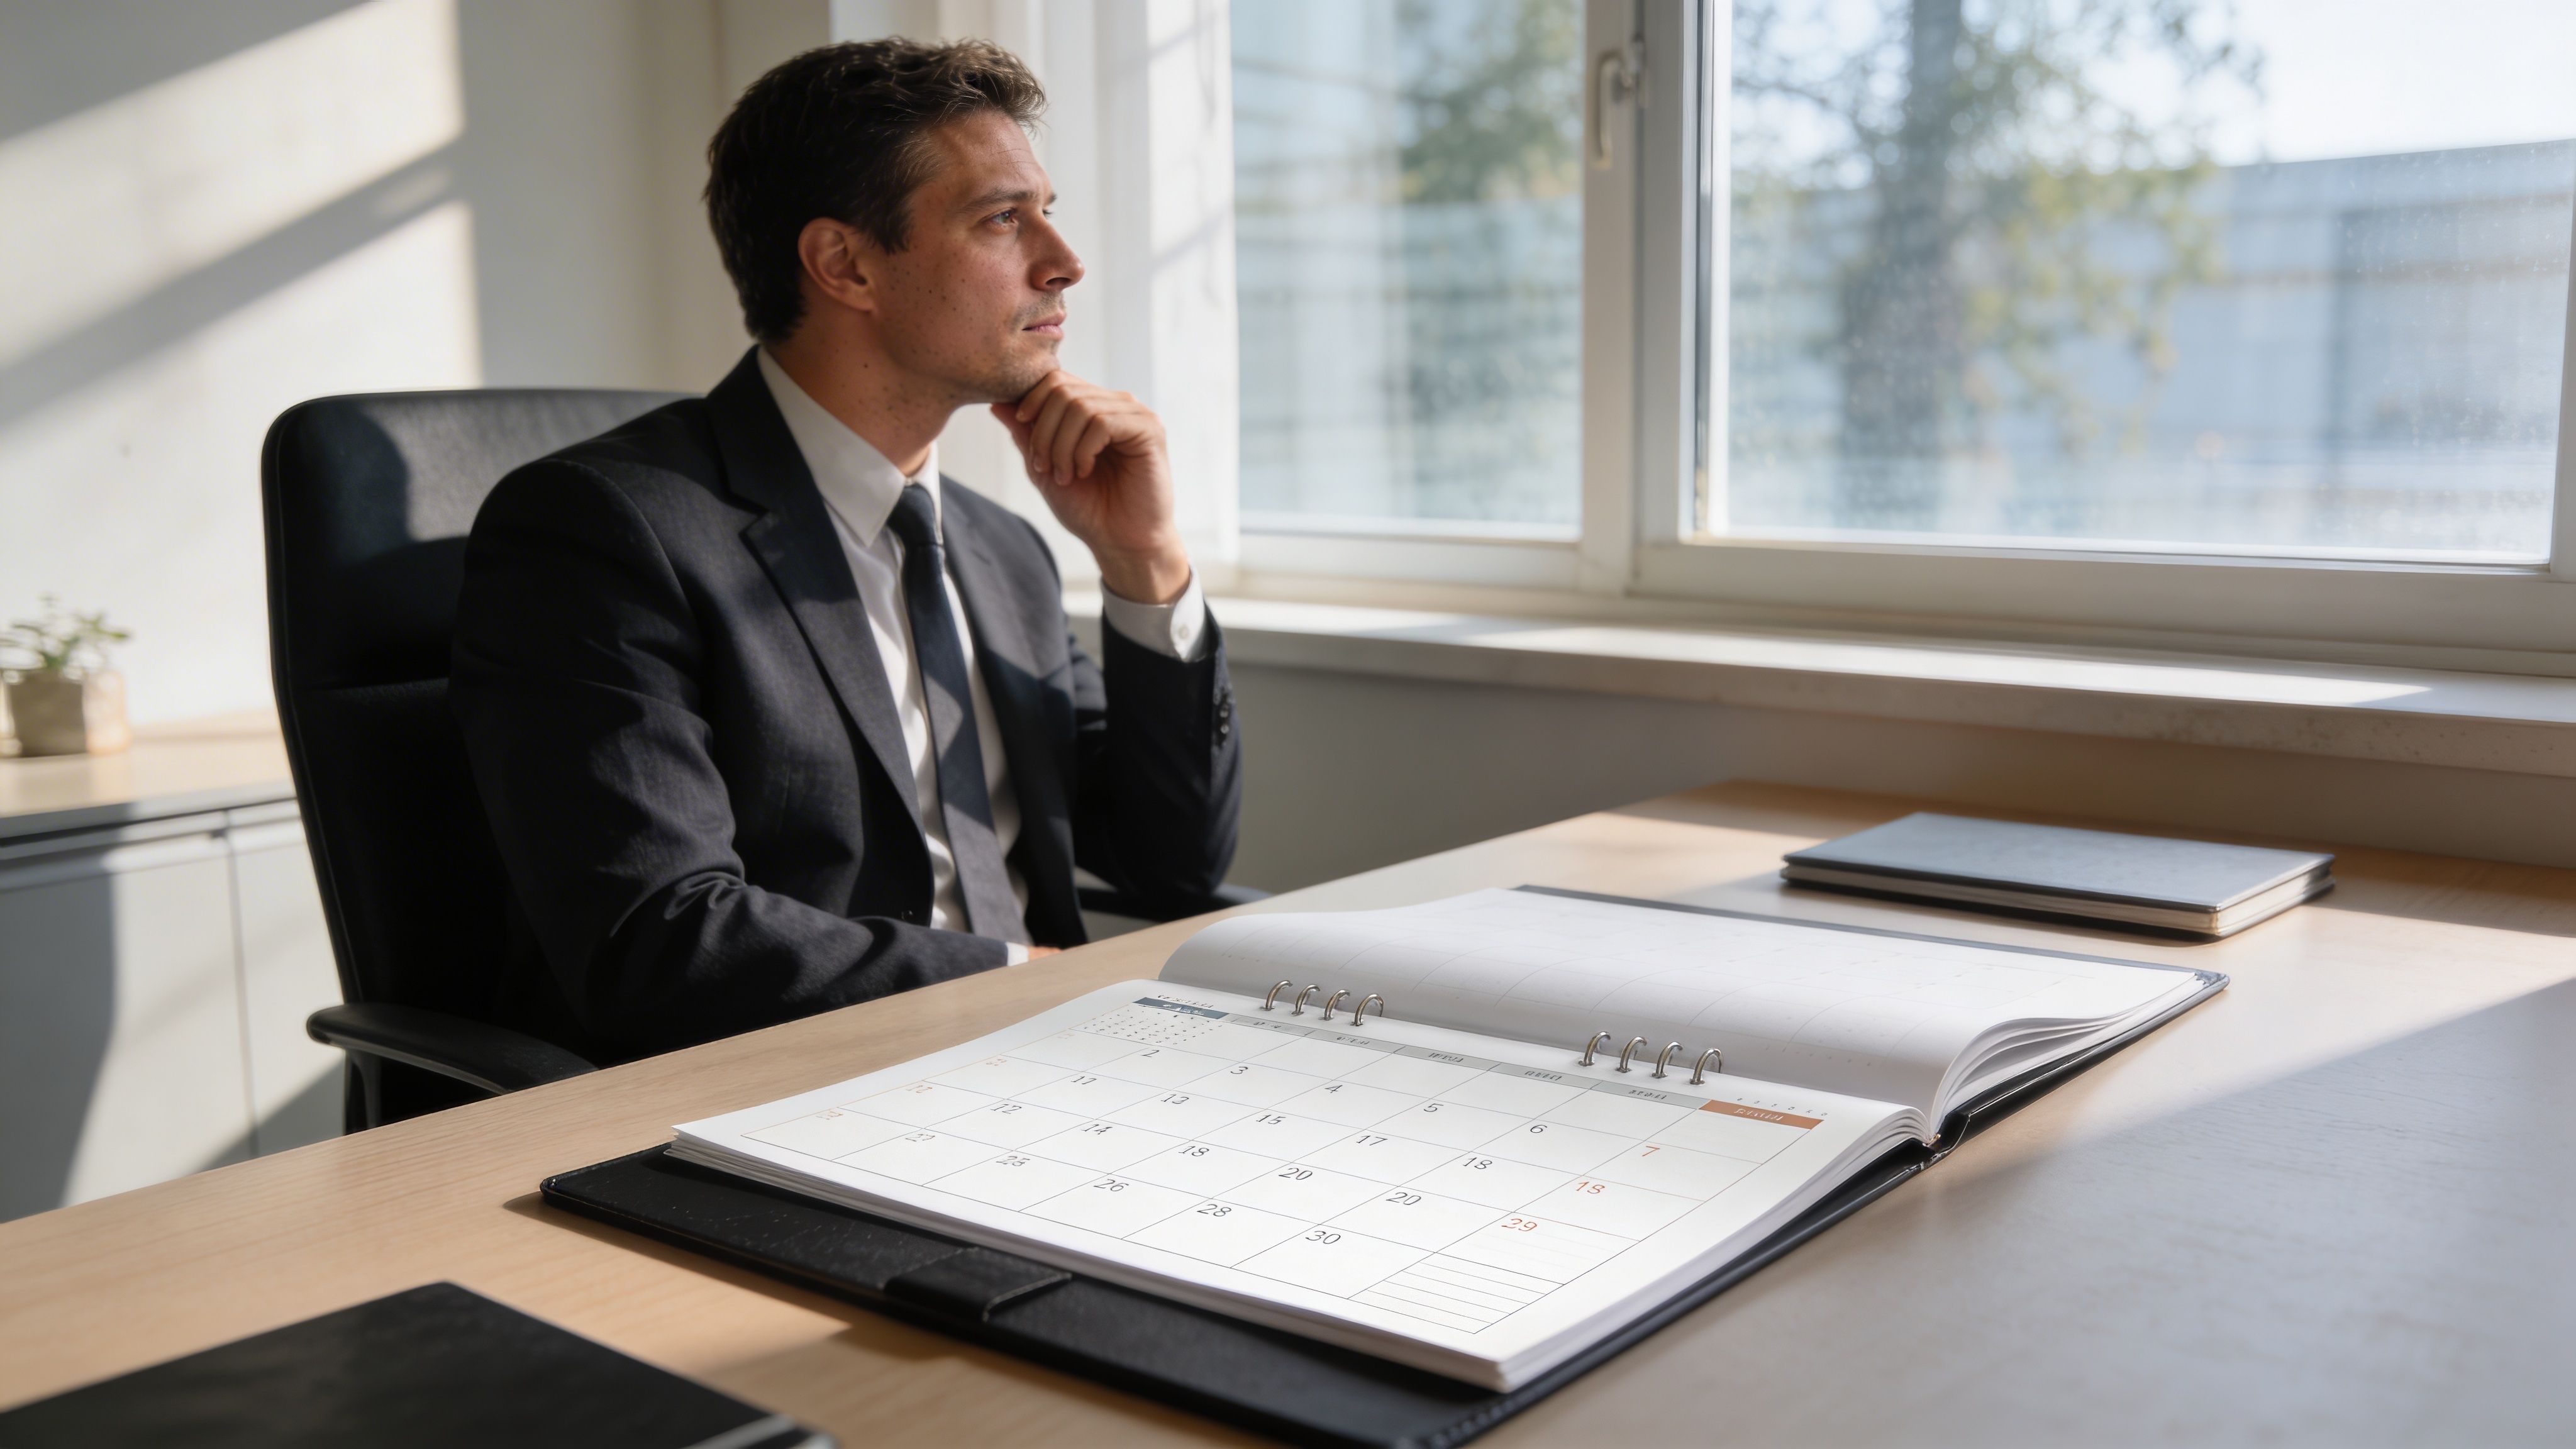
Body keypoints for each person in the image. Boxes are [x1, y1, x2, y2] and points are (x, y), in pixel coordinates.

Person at [450, 38, 1240, 1063]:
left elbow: (1171, 867)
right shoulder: (599, 532)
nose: (1063, 260)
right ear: (845, 266)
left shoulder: (1002, 551)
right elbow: (660, 944)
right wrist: (1034, 984)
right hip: (794, 1096)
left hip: (1047, 1074)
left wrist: (1146, 564)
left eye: (1047, 209)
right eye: (1004, 218)